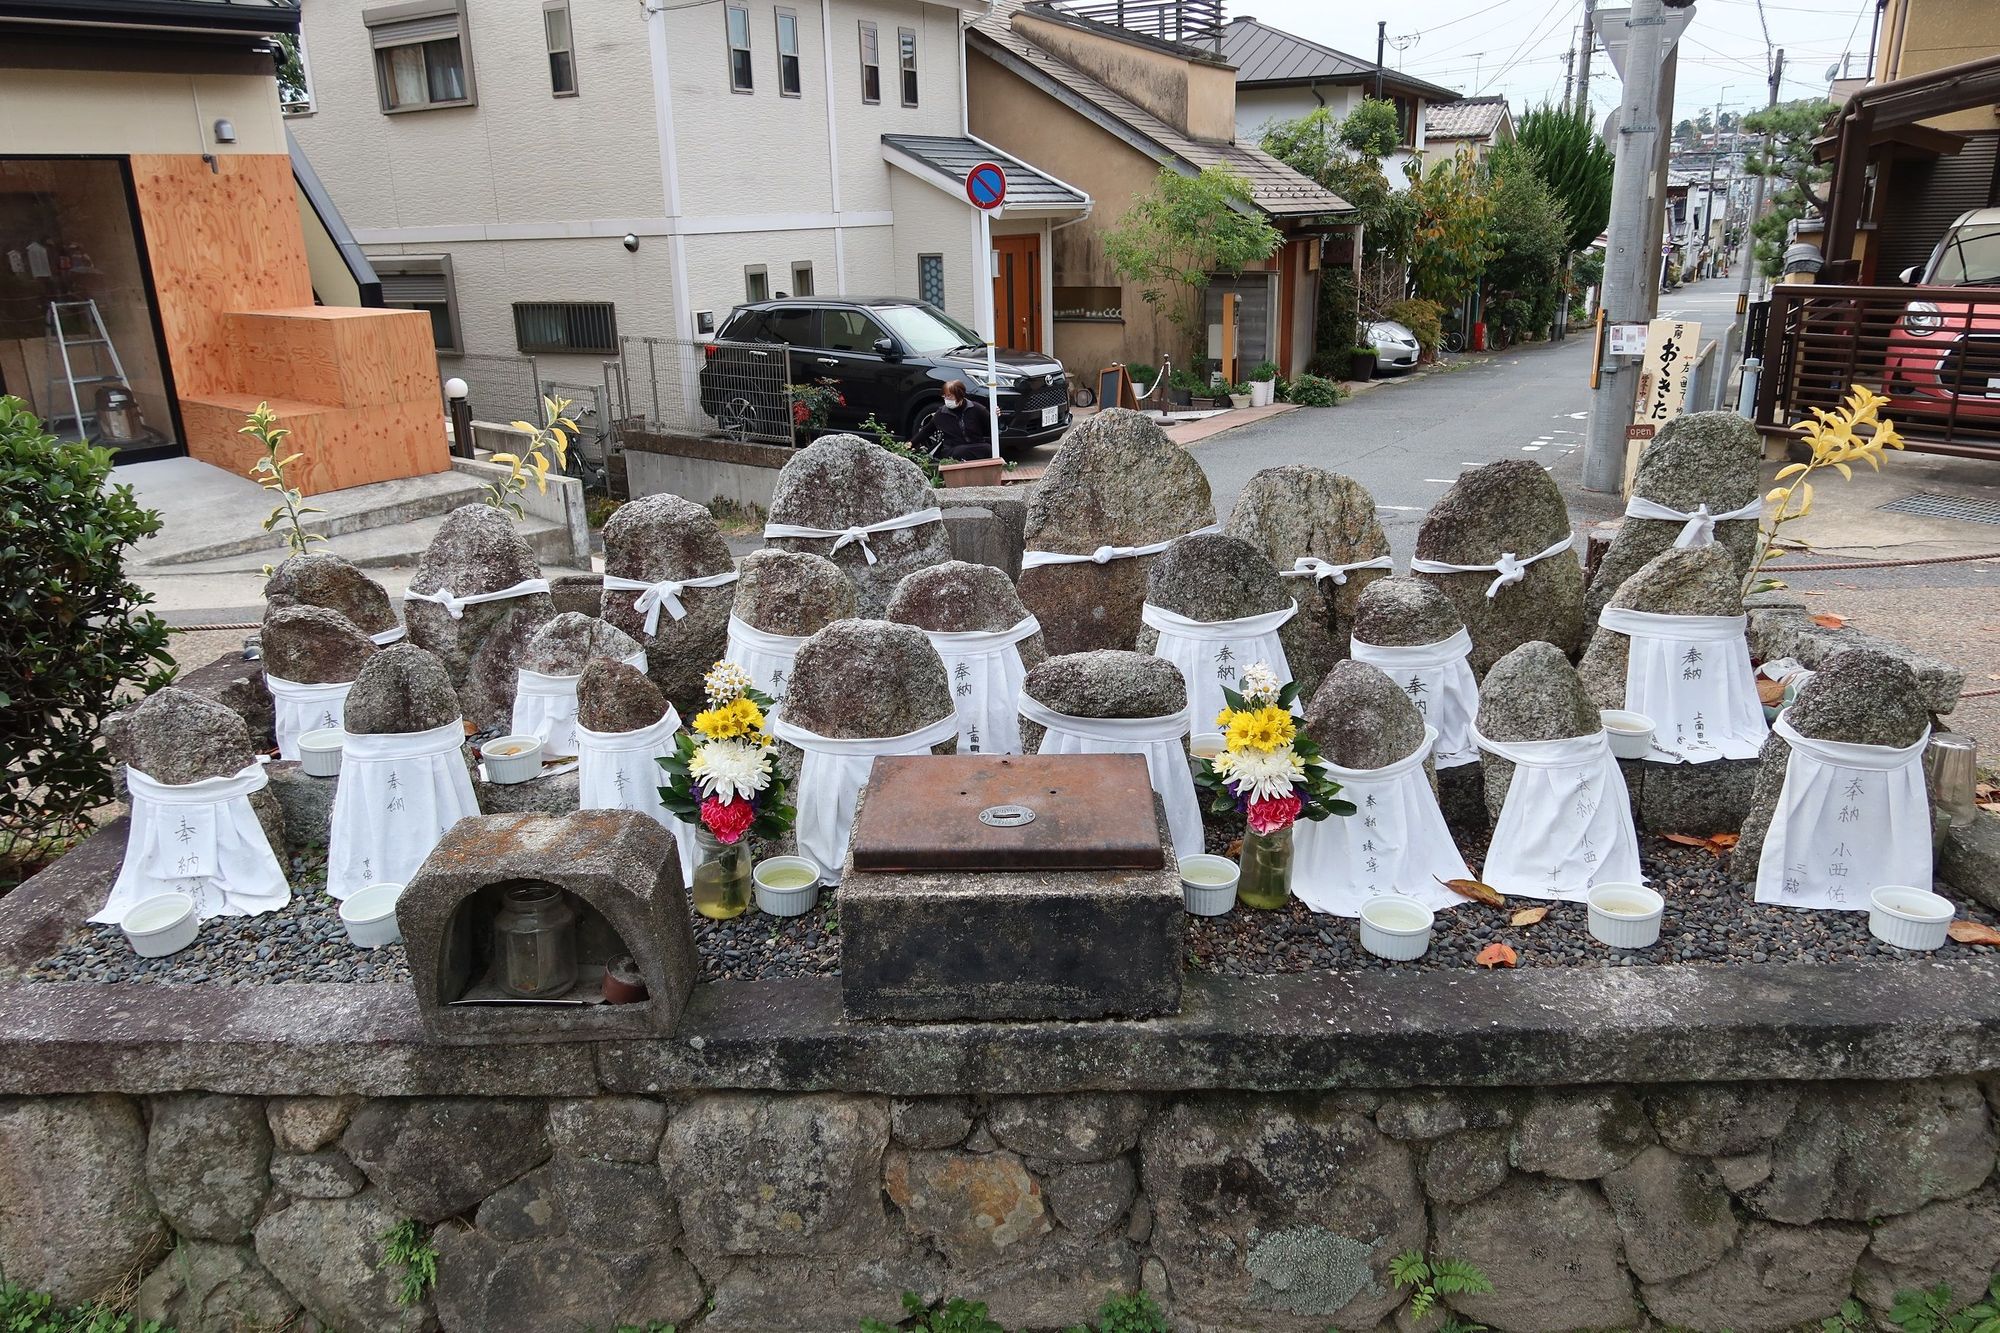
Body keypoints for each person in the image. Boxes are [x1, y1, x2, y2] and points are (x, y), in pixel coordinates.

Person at [930, 380, 994, 461]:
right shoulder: (941, 413)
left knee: (988, 449)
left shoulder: (977, 409)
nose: (946, 399)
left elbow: (992, 427)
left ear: (960, 396)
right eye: (945, 396)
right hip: (953, 449)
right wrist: (914, 445)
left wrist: (996, 416)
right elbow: (926, 430)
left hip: (976, 444)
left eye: (949, 396)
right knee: (960, 451)